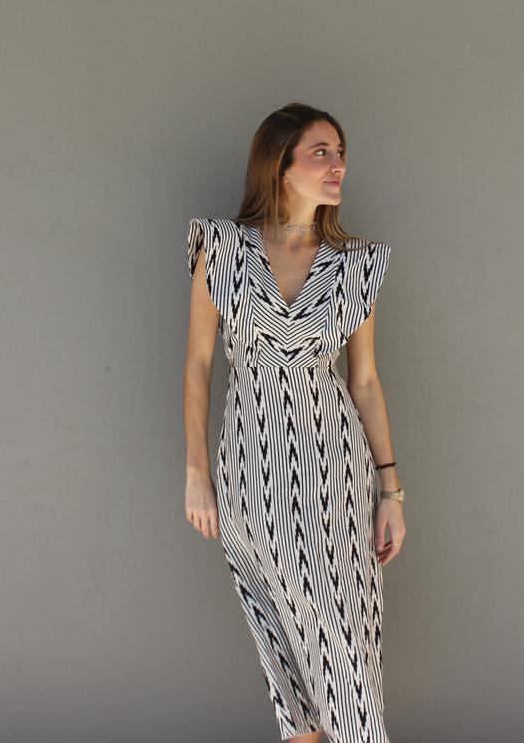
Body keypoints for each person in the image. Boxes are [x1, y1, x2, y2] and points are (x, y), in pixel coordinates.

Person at [183, 102, 406, 743]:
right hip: (249, 476)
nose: (339, 166)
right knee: (287, 673)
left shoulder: (356, 263)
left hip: (334, 478)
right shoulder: (222, 247)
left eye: (341, 154)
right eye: (321, 152)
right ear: (280, 165)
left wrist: (391, 492)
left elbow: (365, 382)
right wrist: (197, 472)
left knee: (348, 659)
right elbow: (199, 363)